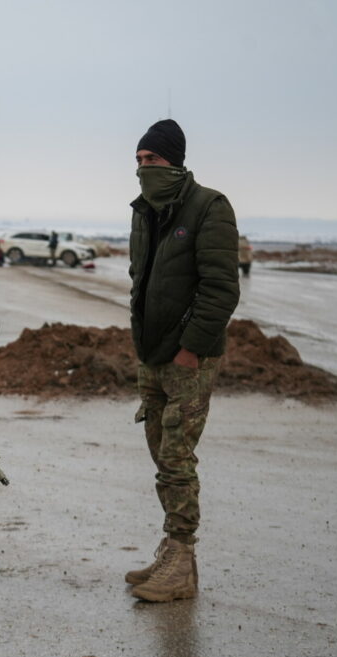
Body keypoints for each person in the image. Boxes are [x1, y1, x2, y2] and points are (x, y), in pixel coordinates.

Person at [125, 119, 240, 602]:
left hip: (189, 357)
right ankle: (172, 547)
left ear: (174, 159)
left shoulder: (210, 207)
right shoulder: (142, 210)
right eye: (138, 161)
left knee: (177, 457)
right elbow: (140, 277)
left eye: (152, 160)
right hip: (151, 355)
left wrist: (191, 348)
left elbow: (220, 288)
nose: (143, 169)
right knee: (160, 453)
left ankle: (183, 559)